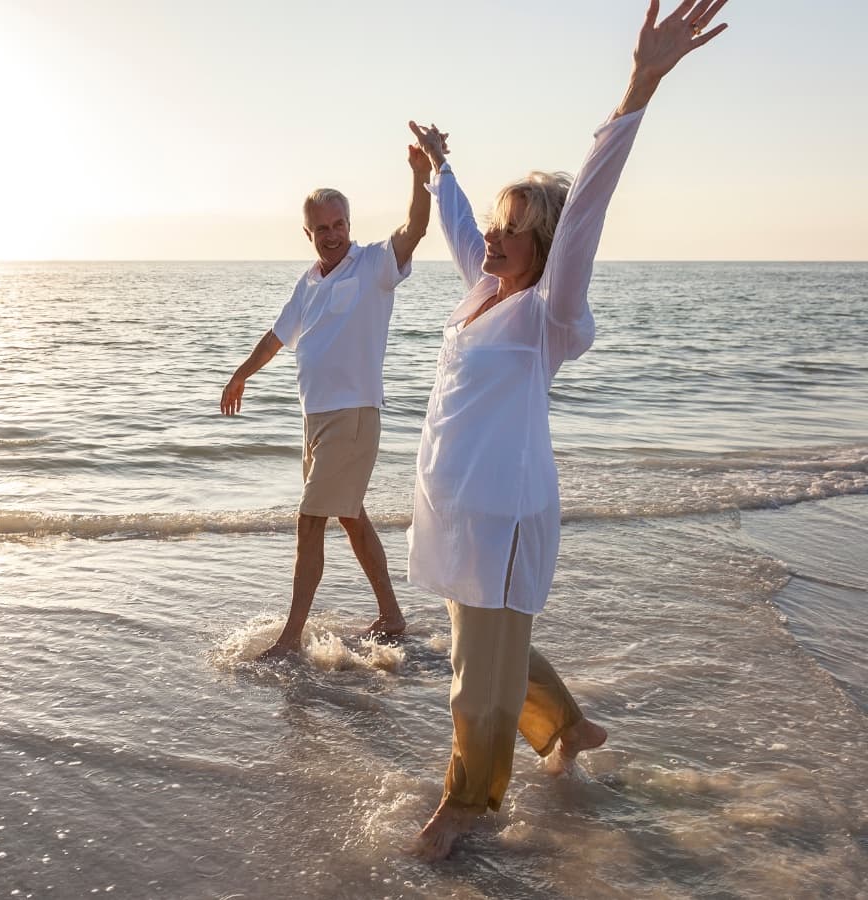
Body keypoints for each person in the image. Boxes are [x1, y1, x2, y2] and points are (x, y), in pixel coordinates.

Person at [405, 0, 730, 861]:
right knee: (491, 641)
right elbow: (462, 231)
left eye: (520, 230)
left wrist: (638, 88)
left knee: (478, 670)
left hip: (504, 513)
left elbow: (583, 213)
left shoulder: (547, 314)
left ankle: (466, 808)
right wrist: (441, 170)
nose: (498, 240)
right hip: (460, 510)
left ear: (548, 247)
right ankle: (572, 728)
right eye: (500, 227)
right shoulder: (484, 294)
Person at [220, 134, 432, 659]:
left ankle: (292, 636)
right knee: (350, 516)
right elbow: (276, 336)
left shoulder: (374, 265)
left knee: (310, 517)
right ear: (309, 232)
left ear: (349, 226)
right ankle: (392, 614)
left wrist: (419, 175)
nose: (332, 235)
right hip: (315, 419)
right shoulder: (308, 281)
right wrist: (241, 374)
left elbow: (416, 228)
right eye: (322, 229)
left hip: (355, 413)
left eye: (339, 225)